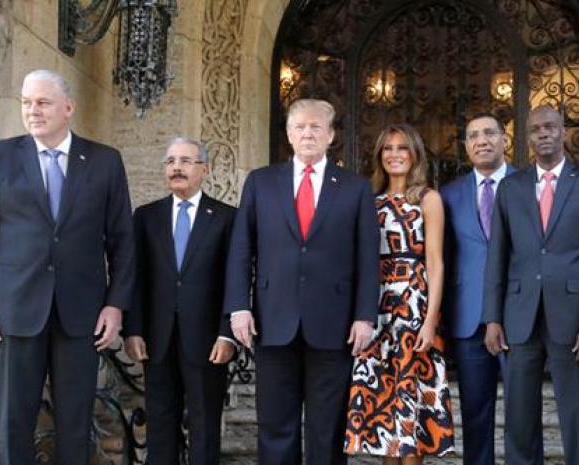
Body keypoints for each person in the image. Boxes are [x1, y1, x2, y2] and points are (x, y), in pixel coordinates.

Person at [0, 69, 135, 465]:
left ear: (68, 108)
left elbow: (123, 243)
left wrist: (115, 305)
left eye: (42, 102)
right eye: (26, 102)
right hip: (12, 313)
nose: (32, 110)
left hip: (82, 314)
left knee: (76, 423)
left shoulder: (105, 162)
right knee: (13, 422)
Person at [224, 98, 380, 465]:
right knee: (276, 425)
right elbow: (241, 249)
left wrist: (365, 316)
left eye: (316, 127)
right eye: (300, 127)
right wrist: (238, 308)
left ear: (330, 135)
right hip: (271, 319)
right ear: (290, 134)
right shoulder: (261, 182)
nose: (307, 133)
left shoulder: (355, 188)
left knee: (327, 428)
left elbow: (367, 257)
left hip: (335, 324)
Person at [482, 106, 579, 465]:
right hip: (520, 316)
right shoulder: (511, 187)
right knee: (519, 417)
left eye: (550, 127)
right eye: (536, 128)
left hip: (573, 318)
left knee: (577, 413)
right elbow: (498, 256)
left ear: (563, 131)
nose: (544, 133)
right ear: (527, 136)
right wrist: (492, 317)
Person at [345, 123, 455, 462]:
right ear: (380, 156)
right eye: (388, 148)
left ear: (415, 154)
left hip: (413, 304)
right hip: (375, 307)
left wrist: (430, 321)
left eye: (402, 147)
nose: (395, 154)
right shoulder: (368, 198)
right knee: (382, 400)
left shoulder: (428, 198)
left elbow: (435, 262)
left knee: (411, 398)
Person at [124, 137, 236, 465]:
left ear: (204, 169)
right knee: (160, 424)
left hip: (208, 341)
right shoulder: (146, 216)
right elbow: (136, 277)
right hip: (157, 339)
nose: (176, 168)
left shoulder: (227, 217)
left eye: (186, 161)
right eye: (171, 161)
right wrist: (133, 330)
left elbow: (236, 278)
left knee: (204, 425)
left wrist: (227, 332)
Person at [440, 113, 528, 465]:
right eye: (473, 135)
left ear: (504, 139)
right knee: (475, 415)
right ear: (465, 146)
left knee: (523, 415)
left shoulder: (528, 184)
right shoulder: (448, 195)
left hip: (521, 315)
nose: (482, 140)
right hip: (468, 318)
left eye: (490, 133)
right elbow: (442, 259)